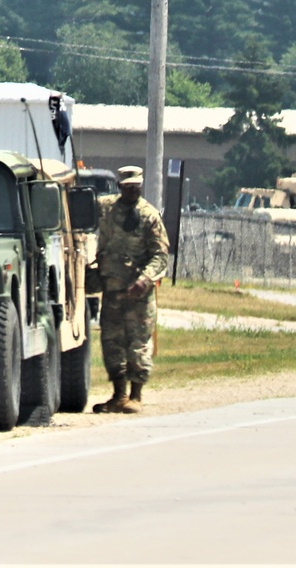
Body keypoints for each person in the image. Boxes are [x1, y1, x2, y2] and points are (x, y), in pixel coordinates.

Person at [92, 165, 169, 414]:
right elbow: (80, 208)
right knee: (112, 342)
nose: (132, 191)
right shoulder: (106, 208)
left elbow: (160, 255)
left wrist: (145, 279)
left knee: (138, 343)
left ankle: (136, 396)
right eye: (127, 188)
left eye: (136, 187)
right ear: (120, 187)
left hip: (139, 295)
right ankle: (118, 395)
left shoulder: (149, 216)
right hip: (112, 290)